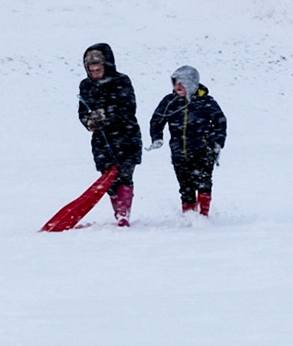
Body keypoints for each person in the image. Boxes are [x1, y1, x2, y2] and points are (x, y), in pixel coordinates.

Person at [147, 65, 228, 216]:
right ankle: (189, 216)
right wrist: (157, 137)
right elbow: (157, 119)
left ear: (191, 84)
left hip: (204, 151)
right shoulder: (170, 102)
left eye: (182, 83)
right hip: (179, 152)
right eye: (175, 83)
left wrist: (218, 142)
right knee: (186, 186)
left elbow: (220, 122)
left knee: (204, 182)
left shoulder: (206, 102)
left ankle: (203, 215)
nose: (177, 87)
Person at [76, 43, 141, 227]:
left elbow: (128, 108)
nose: (95, 73)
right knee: (108, 180)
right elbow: (82, 111)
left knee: (125, 175)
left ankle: (123, 214)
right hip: (101, 141)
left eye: (99, 69)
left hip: (126, 137)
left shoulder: (122, 81)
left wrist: (106, 116)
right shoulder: (86, 86)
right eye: (92, 70)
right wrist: (89, 122)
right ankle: (117, 210)